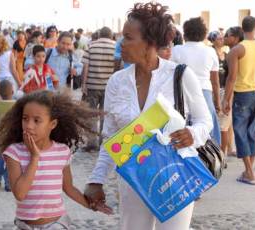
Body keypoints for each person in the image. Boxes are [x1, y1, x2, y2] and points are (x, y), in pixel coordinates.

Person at [84, 3, 213, 230]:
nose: (121, 44)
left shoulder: (180, 75)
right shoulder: (117, 82)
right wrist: (97, 180)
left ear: (150, 43)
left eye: (128, 37)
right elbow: (110, 137)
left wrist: (191, 134)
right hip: (133, 180)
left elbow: (206, 122)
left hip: (175, 175)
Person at [0, 90, 111, 229]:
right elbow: (20, 193)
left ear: (52, 124)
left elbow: (69, 188)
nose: (29, 125)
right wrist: (34, 158)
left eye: (37, 120)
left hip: (56, 224)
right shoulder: (14, 152)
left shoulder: (62, 151)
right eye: (25, 118)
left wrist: (91, 205)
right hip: (25, 225)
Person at [223, 16, 255, 185]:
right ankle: (248, 170)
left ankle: (249, 172)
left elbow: (231, 78)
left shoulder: (237, 50)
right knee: (251, 132)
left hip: (242, 95)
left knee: (240, 134)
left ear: (243, 28)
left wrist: (226, 100)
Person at [171, 17, 221, 146]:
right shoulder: (210, 51)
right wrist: (217, 103)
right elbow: (215, 81)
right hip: (205, 93)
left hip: (181, 94)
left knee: (184, 135)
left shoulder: (177, 50)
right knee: (209, 133)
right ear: (204, 34)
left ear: (185, 33)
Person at [81, 26, 116, 152]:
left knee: (91, 115)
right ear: (111, 35)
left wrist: (83, 85)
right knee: (105, 115)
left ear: (100, 35)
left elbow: (85, 66)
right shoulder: (115, 46)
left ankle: (92, 142)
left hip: (92, 86)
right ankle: (104, 141)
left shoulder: (91, 45)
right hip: (109, 87)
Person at [222, 26, 244, 157]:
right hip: (234, 90)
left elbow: (232, 77)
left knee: (223, 124)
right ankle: (230, 148)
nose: (225, 37)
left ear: (235, 38)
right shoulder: (233, 51)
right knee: (228, 123)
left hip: (230, 90)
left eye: (227, 35)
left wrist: (226, 98)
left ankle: (222, 153)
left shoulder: (235, 53)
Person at [0, 80, 16, 192]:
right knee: (11, 159)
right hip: (13, 136)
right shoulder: (17, 105)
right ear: (13, 91)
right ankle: (9, 184)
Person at [208, 31, 230, 157]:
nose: (222, 40)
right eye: (219, 38)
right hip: (211, 91)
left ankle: (223, 154)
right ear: (213, 40)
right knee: (212, 124)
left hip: (224, 90)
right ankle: (213, 154)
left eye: (223, 38)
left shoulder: (227, 55)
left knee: (224, 127)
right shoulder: (210, 53)